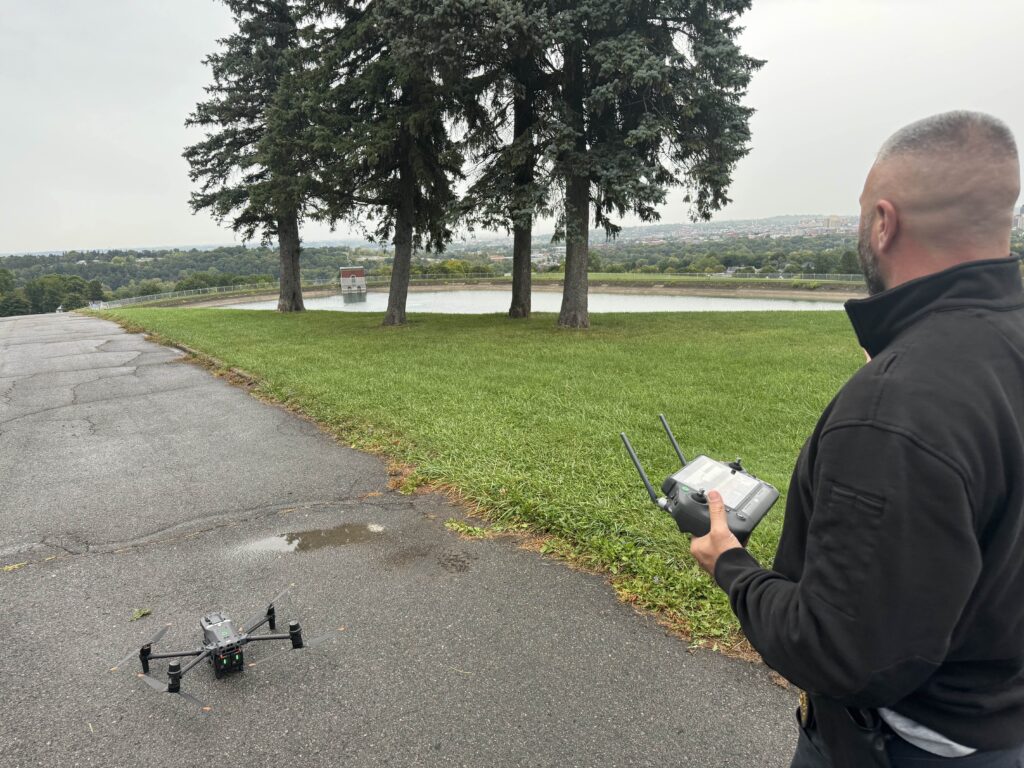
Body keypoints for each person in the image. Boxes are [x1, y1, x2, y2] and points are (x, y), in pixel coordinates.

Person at [691, 111, 1024, 767]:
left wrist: (730, 565)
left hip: (899, 747)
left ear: (883, 222)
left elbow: (839, 653)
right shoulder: (988, 355)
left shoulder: (896, 408)